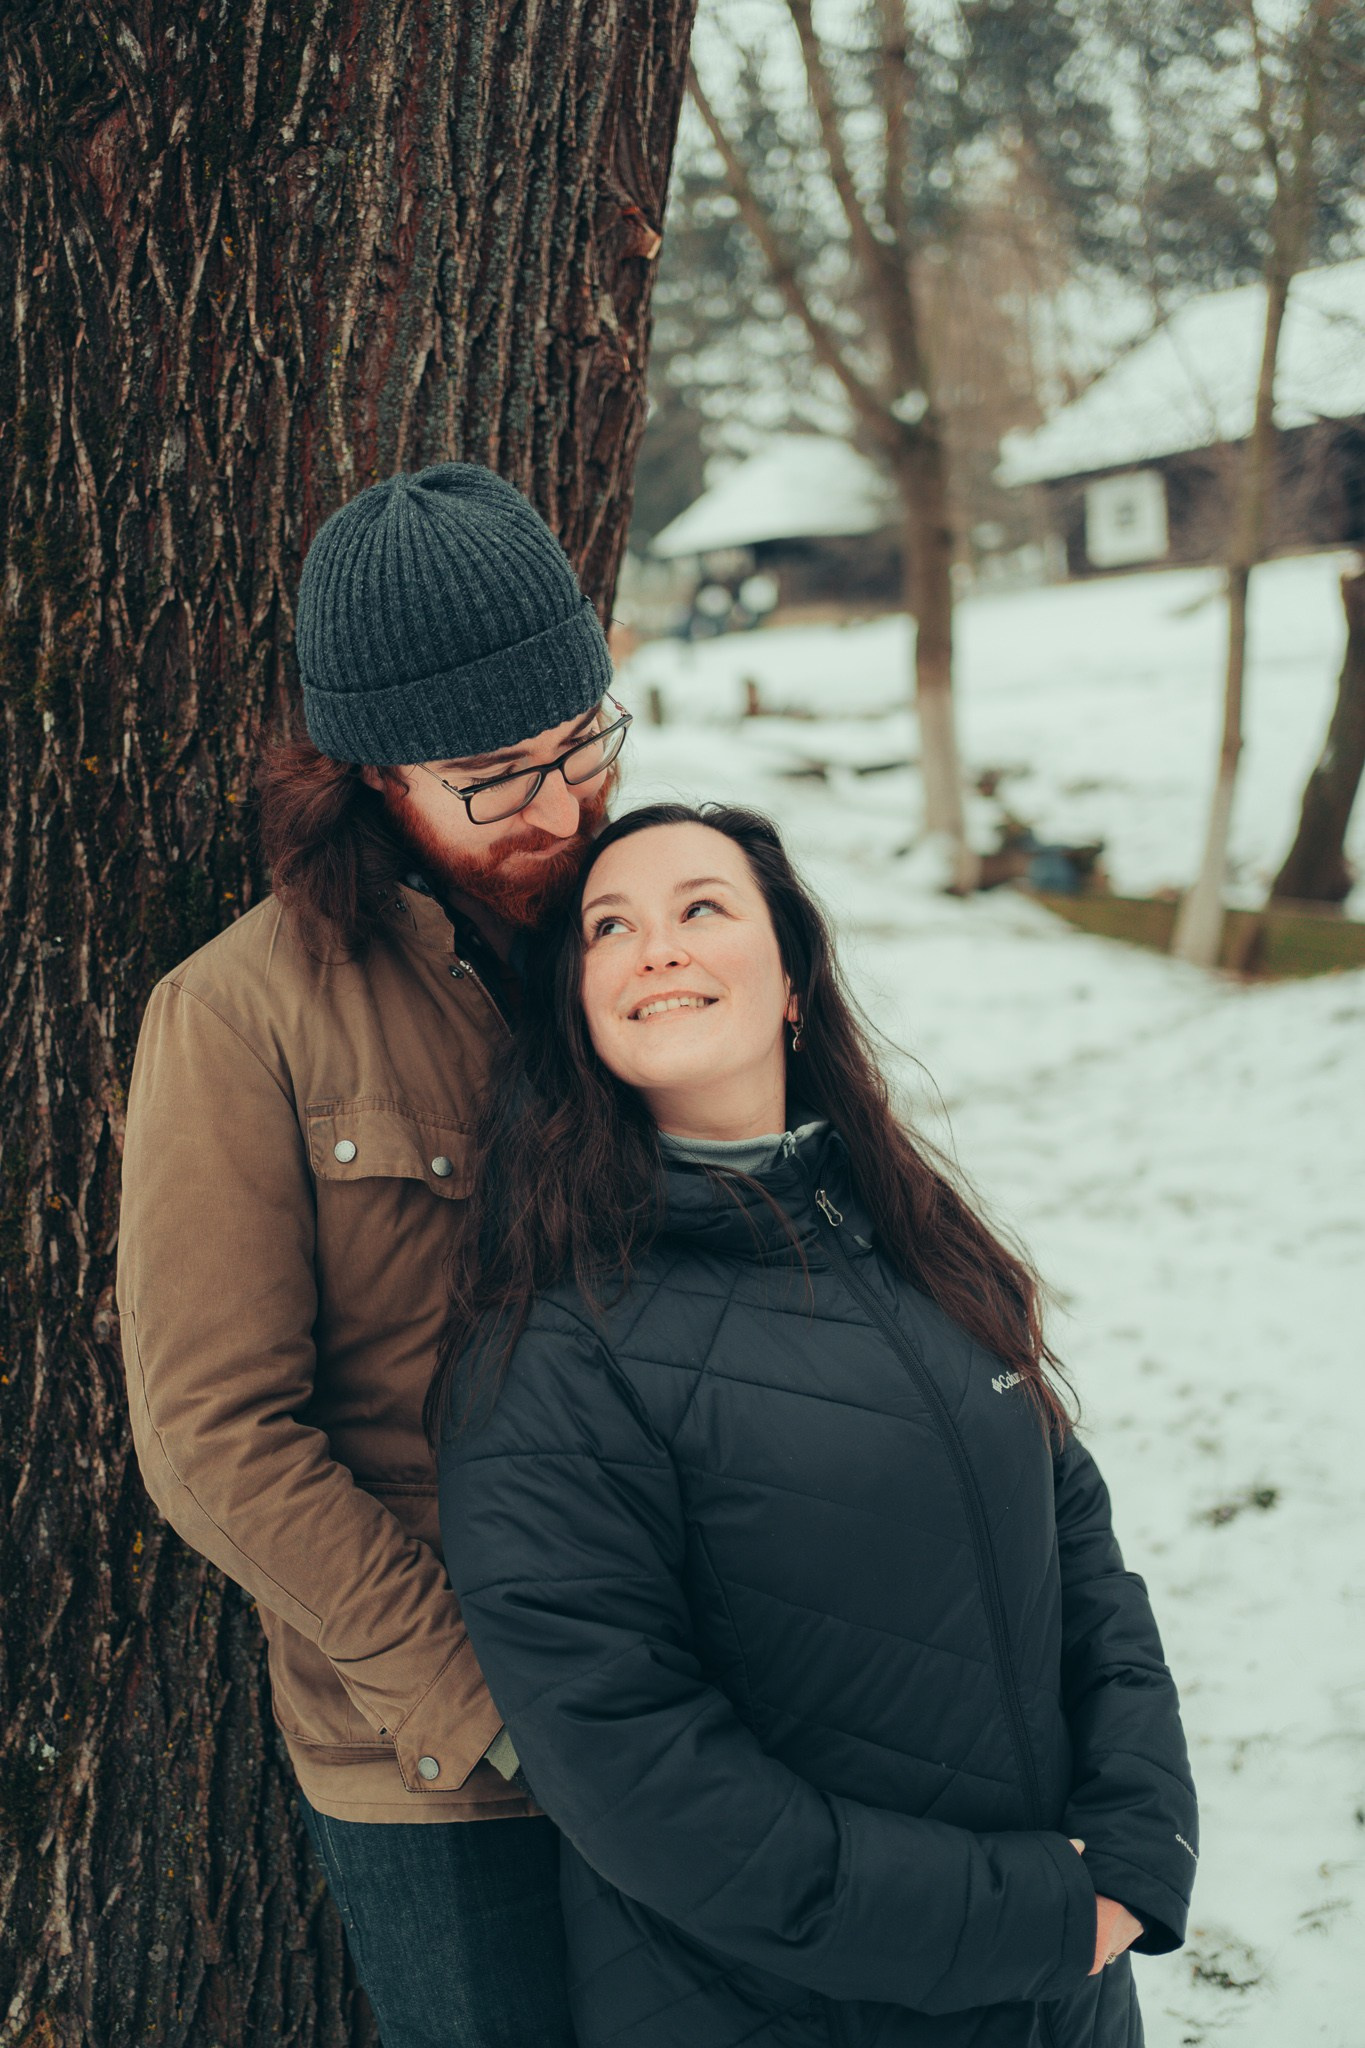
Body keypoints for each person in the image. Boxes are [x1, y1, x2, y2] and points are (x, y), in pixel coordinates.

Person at [434, 802, 1199, 2048]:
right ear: (577, 1008)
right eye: (609, 925)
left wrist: (1136, 1838)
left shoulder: (915, 1236)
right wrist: (1035, 1913)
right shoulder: (549, 1349)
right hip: (780, 2007)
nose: (656, 947)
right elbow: (648, 1783)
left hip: (1059, 1987)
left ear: (792, 979)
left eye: (702, 907)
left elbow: (1083, 1560)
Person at [116, 462, 631, 2047]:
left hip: (693, 1699)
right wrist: (478, 1701)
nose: (558, 808)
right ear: (367, 771)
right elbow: (211, 1440)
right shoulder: (238, 1016)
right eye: (492, 776)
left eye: (584, 747)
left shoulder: (650, 934)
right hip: (453, 1775)